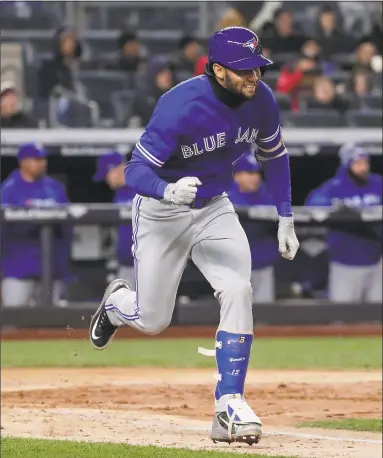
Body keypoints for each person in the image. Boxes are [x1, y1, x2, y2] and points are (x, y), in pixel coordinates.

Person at [89, 27, 299, 445]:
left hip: (213, 208)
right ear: (218, 69)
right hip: (161, 211)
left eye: (257, 68)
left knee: (239, 289)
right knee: (153, 320)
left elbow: (273, 156)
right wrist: (166, 189)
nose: (253, 77)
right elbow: (134, 170)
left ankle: (229, 406)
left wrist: (286, 215)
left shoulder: (262, 100)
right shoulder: (179, 104)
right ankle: (115, 305)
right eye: (243, 70)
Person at [305, 143, 382, 303]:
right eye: (358, 163)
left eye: (365, 163)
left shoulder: (377, 184)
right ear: (347, 165)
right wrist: (339, 209)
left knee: (376, 316)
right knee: (342, 316)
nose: (363, 167)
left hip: (376, 261)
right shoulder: (335, 187)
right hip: (345, 262)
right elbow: (313, 203)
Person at [1, 143, 72, 307]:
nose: (42, 163)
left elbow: (67, 228)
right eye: (36, 159)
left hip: (51, 269)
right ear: (23, 162)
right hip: (17, 269)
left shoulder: (54, 188)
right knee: (13, 322)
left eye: (43, 159)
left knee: (53, 323)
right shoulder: (8, 190)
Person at [228, 154, 278, 303]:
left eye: (256, 173)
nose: (255, 178)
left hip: (262, 262)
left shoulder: (267, 195)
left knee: (264, 314)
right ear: (236, 175)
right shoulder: (223, 196)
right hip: (234, 267)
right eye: (249, 173)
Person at [93, 152, 136, 287]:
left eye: (107, 174)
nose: (106, 180)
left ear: (117, 168)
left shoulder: (143, 184)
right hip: (127, 263)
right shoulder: (119, 193)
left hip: (148, 262)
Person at [38, 27, 83, 100]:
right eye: (66, 41)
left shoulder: (82, 66)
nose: (70, 45)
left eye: (72, 41)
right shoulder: (49, 69)